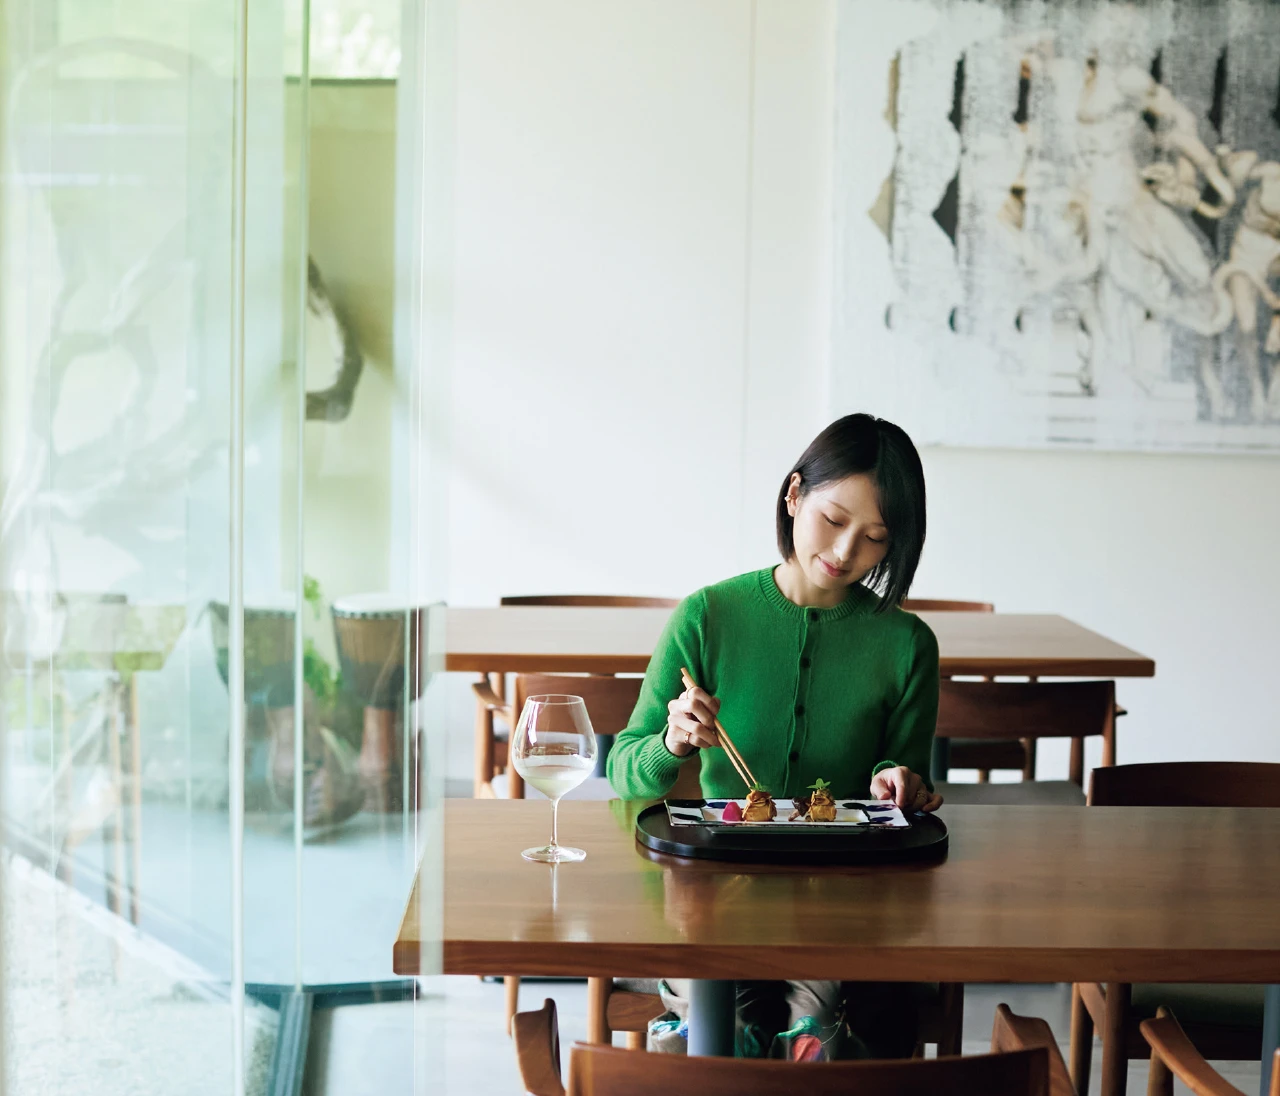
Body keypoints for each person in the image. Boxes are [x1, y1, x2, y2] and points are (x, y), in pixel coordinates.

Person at [607, 412, 942, 1061]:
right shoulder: (709, 615)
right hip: (714, 886)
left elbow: (906, 779)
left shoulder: (906, 645)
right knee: (724, 1025)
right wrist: (671, 742)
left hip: (846, 893)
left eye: (875, 538)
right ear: (794, 497)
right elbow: (623, 768)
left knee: (825, 1025)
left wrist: (899, 782)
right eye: (833, 519)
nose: (846, 552)